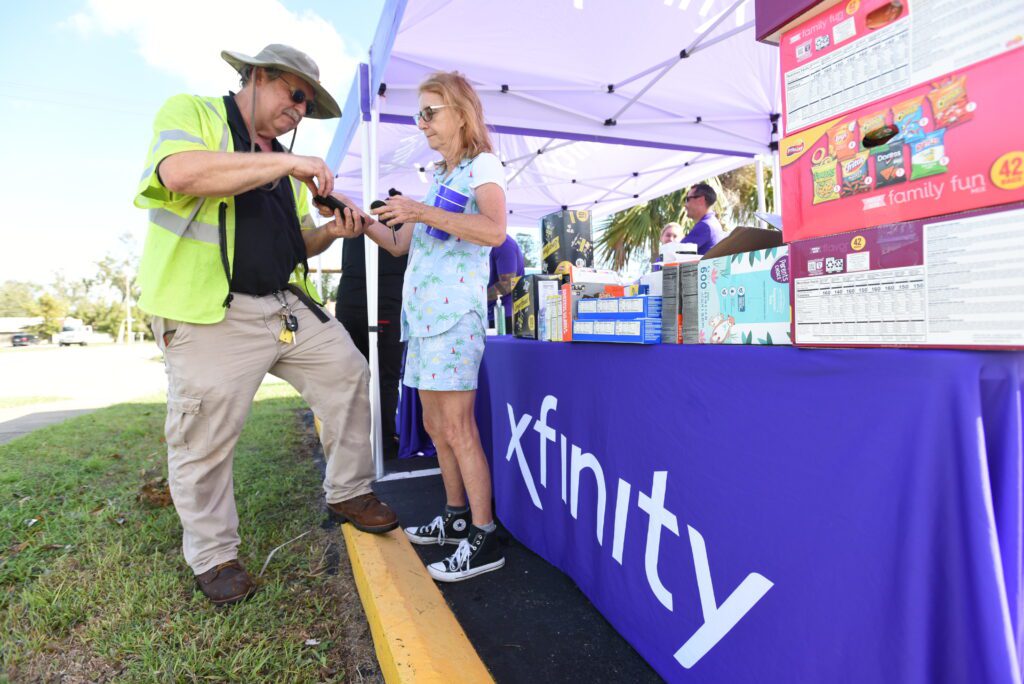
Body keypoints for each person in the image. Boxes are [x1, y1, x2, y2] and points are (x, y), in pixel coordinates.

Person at [133, 44, 397, 606]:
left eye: (307, 103)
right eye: (293, 94)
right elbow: (181, 173)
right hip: (209, 311)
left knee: (349, 372)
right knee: (203, 437)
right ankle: (213, 556)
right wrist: (287, 163)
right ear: (255, 77)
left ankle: (348, 491)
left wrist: (333, 233)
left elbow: (295, 242)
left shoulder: (278, 161)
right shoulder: (194, 114)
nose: (300, 109)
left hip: (280, 304)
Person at [330, 71, 508, 582]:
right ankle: (455, 517)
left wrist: (419, 208)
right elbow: (399, 244)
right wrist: (362, 221)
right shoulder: (440, 176)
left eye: (430, 112)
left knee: (457, 428)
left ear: (461, 112)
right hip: (426, 321)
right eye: (419, 114)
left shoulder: (482, 165)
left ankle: (483, 533)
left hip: (455, 319)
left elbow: (495, 230)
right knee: (435, 428)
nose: (422, 123)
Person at [337, 235, 408, 458]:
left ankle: (368, 440)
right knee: (381, 377)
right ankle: (382, 440)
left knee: (361, 377)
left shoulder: (353, 211)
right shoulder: (402, 217)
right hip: (381, 300)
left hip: (362, 298)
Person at [487, 234, 525, 333]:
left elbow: (507, 284)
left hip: (504, 316)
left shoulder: (504, 244)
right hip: (490, 313)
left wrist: (476, 298)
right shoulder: (485, 243)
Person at [681, 182, 726, 255]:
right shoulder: (712, 223)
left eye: (687, 199)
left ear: (701, 200)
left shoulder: (705, 226)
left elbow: (674, 254)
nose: (685, 205)